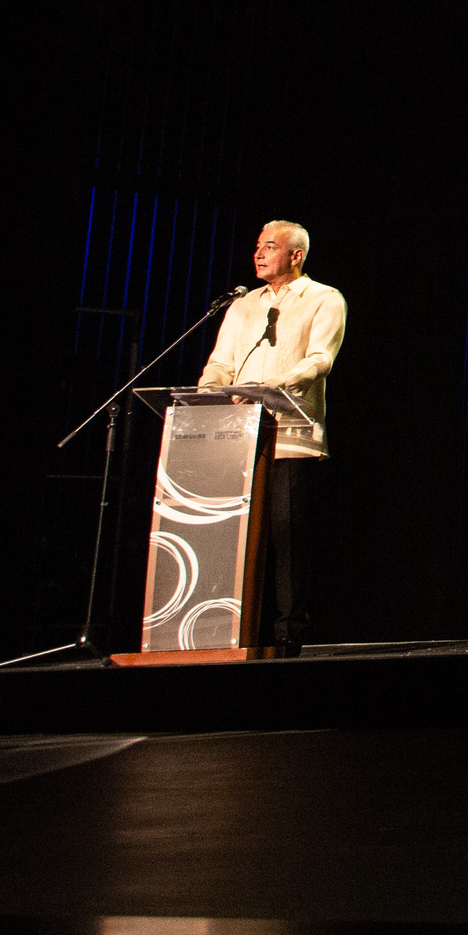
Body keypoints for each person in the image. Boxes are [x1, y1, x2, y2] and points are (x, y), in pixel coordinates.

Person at [197, 220, 346, 653]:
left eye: (270, 246)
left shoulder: (324, 298)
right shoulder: (242, 305)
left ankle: (287, 635)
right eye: (257, 246)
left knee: (288, 536)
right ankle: (223, 630)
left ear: (296, 255)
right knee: (230, 533)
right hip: (237, 434)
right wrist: (207, 394)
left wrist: (274, 386)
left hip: (291, 435)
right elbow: (220, 363)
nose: (259, 253)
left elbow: (320, 359)